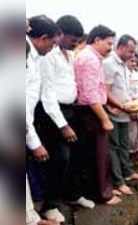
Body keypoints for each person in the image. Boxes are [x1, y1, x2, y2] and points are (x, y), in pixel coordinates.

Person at [35, 15, 95, 216]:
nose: (76, 43)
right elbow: (48, 94)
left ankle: (73, 193)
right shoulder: (47, 56)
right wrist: (62, 125)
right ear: (59, 34)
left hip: (71, 110)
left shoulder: (69, 55)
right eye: (72, 39)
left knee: (78, 154)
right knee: (60, 157)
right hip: (52, 113)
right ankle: (49, 205)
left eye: (78, 40)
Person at [73, 25, 121, 205]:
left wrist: (116, 106)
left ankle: (102, 189)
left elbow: (99, 90)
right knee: (99, 155)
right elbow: (91, 94)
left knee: (95, 154)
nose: (111, 47)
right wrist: (105, 118)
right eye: (109, 43)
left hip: (91, 110)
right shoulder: (90, 59)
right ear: (97, 40)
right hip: (90, 112)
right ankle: (103, 194)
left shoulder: (92, 57)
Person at [26, 15, 62, 222]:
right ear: (43, 38)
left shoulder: (34, 58)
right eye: (53, 43)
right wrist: (34, 143)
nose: (52, 48)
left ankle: (31, 219)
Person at [103, 34, 138, 196]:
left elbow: (123, 89)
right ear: (120, 47)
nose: (132, 55)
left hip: (124, 112)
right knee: (113, 148)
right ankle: (118, 181)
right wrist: (120, 106)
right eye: (130, 52)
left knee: (124, 144)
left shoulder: (123, 65)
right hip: (113, 113)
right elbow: (105, 93)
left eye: (133, 52)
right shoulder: (108, 64)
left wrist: (133, 102)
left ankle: (128, 172)